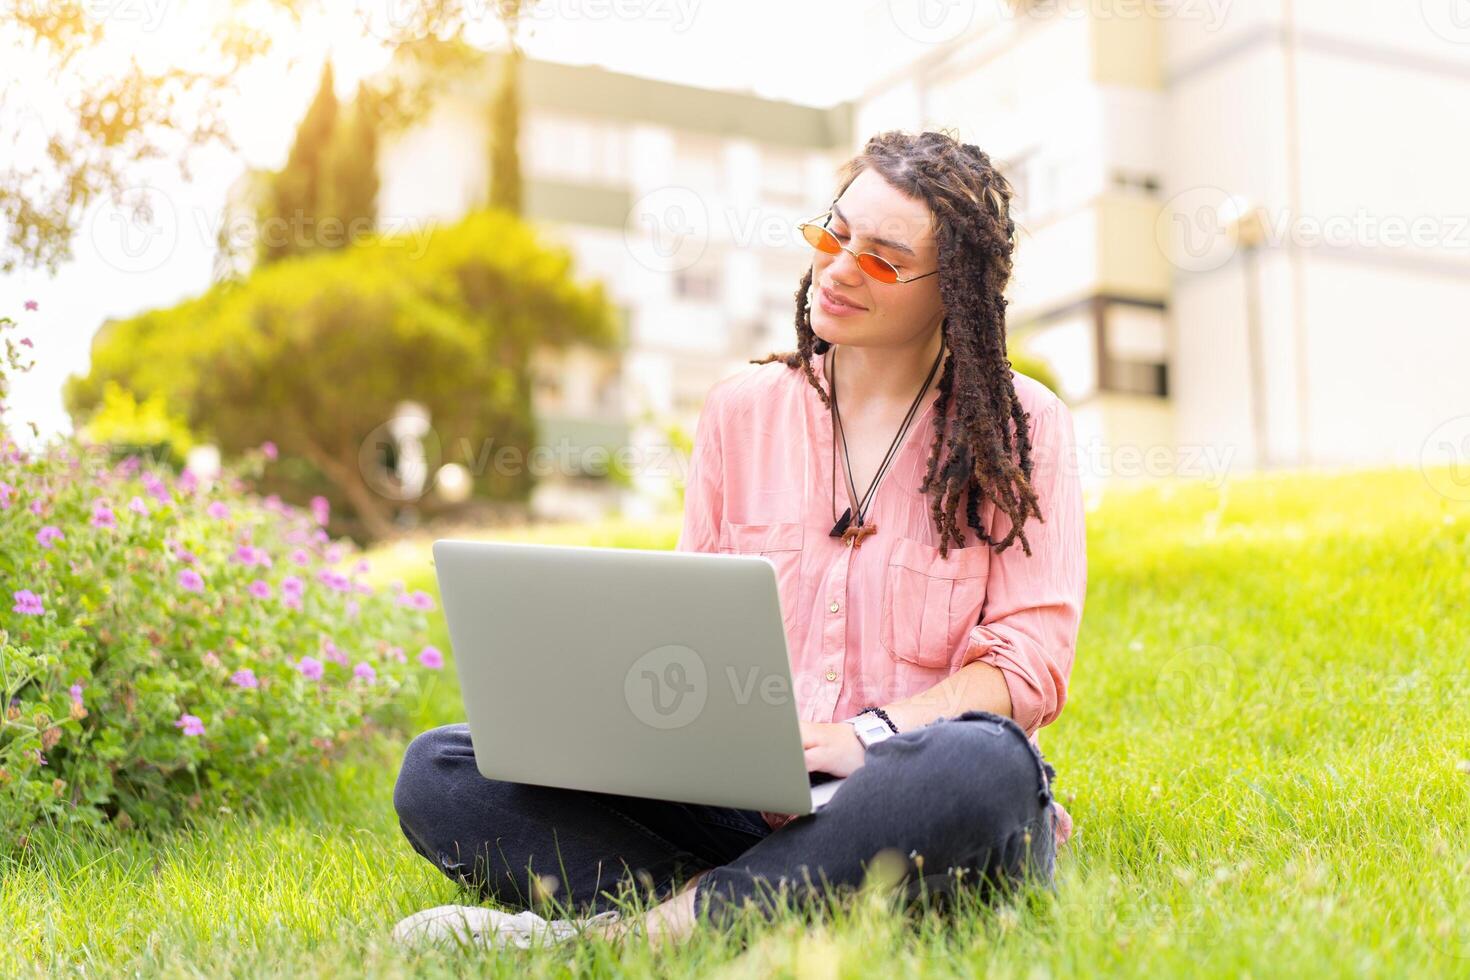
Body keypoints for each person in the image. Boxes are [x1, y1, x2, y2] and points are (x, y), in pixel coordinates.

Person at [390, 129, 1087, 949]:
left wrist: (863, 741)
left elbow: (1029, 663)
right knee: (443, 772)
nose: (837, 268)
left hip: (903, 790)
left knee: (983, 769)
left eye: (884, 259)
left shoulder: (1025, 426)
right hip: (749, 804)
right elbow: (691, 631)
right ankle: (772, 903)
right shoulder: (740, 411)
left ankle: (630, 934)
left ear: (956, 290)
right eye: (834, 234)